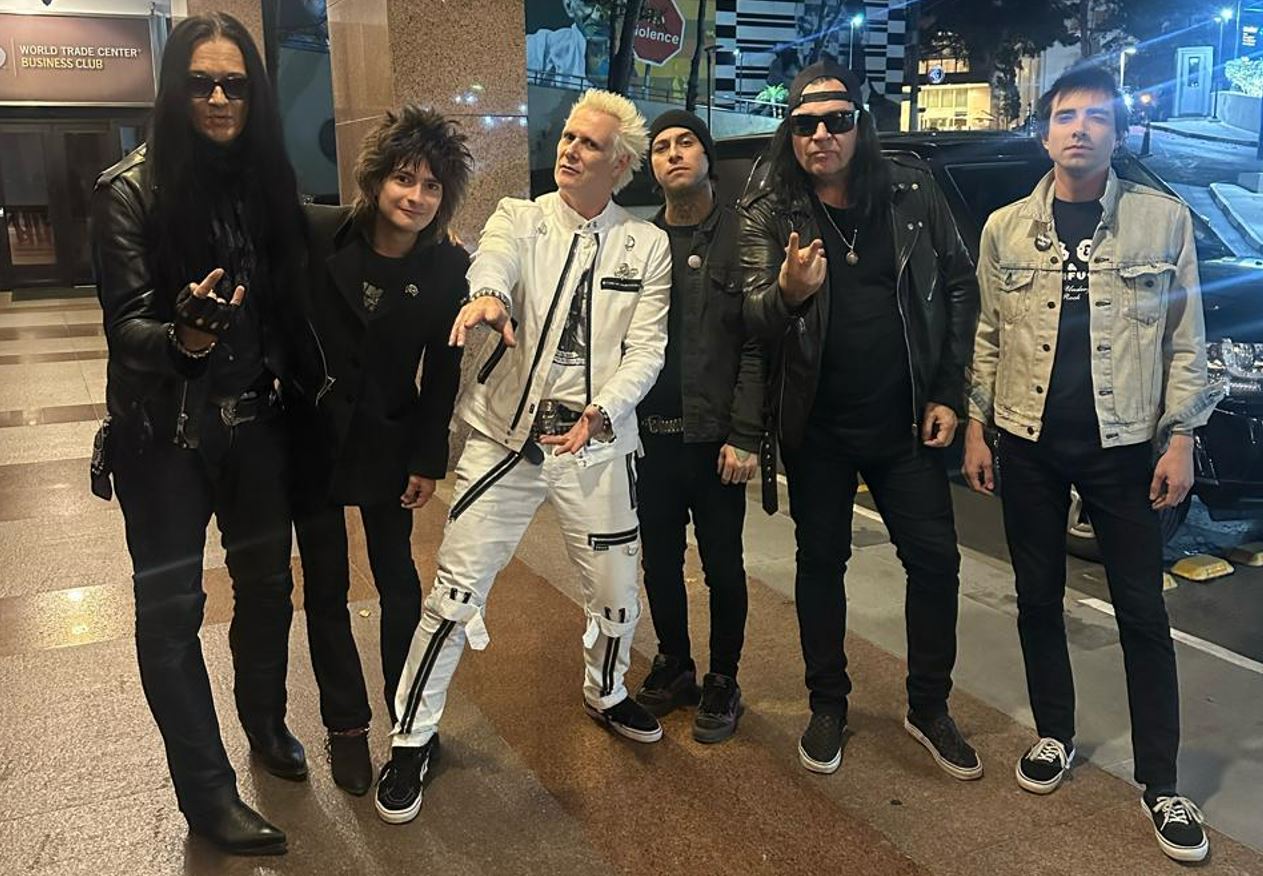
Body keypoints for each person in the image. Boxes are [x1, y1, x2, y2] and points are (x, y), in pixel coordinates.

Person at [373, 89, 671, 826]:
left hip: (597, 446)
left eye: (588, 143)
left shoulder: (646, 244)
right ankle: (411, 736)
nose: (569, 150)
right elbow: (495, 262)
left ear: (620, 165)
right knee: (453, 593)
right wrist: (487, 299)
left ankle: (606, 691)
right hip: (507, 437)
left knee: (617, 595)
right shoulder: (521, 216)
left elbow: (647, 349)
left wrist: (603, 412)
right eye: (567, 136)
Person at [962, 66, 1217, 863]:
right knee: (1036, 598)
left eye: (1096, 117)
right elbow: (987, 335)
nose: (1079, 129)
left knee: (1141, 611)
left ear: (1117, 133)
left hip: (1124, 446)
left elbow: (1185, 340)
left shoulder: (1161, 220)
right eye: (1065, 117)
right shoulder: (1004, 227)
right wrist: (976, 426)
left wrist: (1180, 438)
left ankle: (1160, 782)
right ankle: (1054, 732)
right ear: (1044, 134)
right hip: (1026, 441)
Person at [90, 12, 308, 855]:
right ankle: (208, 796)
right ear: (174, 91)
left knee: (267, 588)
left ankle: (264, 720)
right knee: (171, 614)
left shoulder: (265, 181)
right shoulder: (128, 190)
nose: (219, 99)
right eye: (202, 83)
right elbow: (127, 328)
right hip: (162, 441)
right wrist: (185, 337)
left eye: (235, 85)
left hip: (255, 427)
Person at [738, 61, 981, 779]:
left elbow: (958, 285)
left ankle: (928, 706)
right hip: (817, 427)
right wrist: (787, 291)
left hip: (905, 424)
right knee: (821, 564)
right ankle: (827, 703)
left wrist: (947, 392)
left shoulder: (910, 190)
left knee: (934, 561)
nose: (821, 135)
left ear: (859, 125)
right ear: (790, 133)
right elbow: (749, 314)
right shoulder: (769, 206)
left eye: (836, 120)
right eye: (805, 124)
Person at [290, 106, 472, 796]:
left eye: (431, 185)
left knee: (399, 583)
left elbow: (443, 373)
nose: (415, 196)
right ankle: (344, 725)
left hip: (391, 441)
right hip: (311, 437)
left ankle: (409, 719)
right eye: (404, 178)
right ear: (376, 180)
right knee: (326, 587)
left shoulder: (448, 265)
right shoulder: (321, 233)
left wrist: (428, 459)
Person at [632, 110, 764, 743]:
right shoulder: (640, 243)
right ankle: (676, 661)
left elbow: (758, 343)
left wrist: (746, 434)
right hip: (649, 437)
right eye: (661, 147)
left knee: (723, 566)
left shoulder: (743, 236)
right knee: (658, 560)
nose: (674, 154)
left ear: (708, 157)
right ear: (652, 167)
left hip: (716, 440)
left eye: (686, 142)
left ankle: (723, 677)